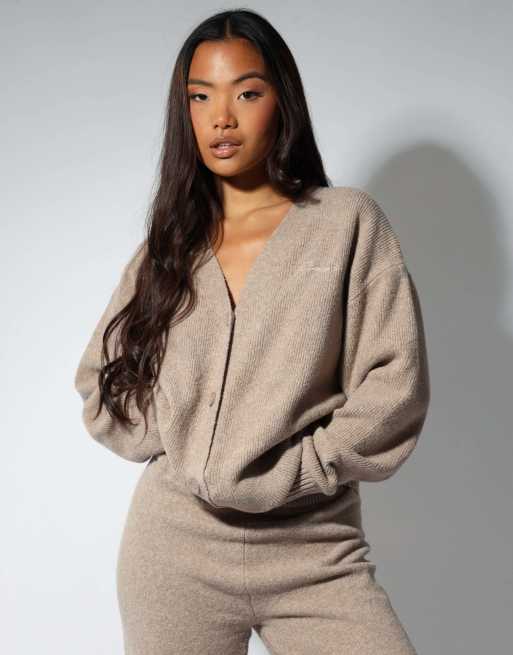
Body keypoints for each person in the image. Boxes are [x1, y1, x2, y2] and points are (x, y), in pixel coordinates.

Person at [74, 8, 431, 655]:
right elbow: (104, 381)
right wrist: (189, 441)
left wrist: (303, 469)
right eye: (200, 96)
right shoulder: (169, 247)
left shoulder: (344, 223)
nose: (222, 118)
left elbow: (394, 383)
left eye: (246, 92)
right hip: (174, 550)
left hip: (314, 547)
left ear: (281, 100)